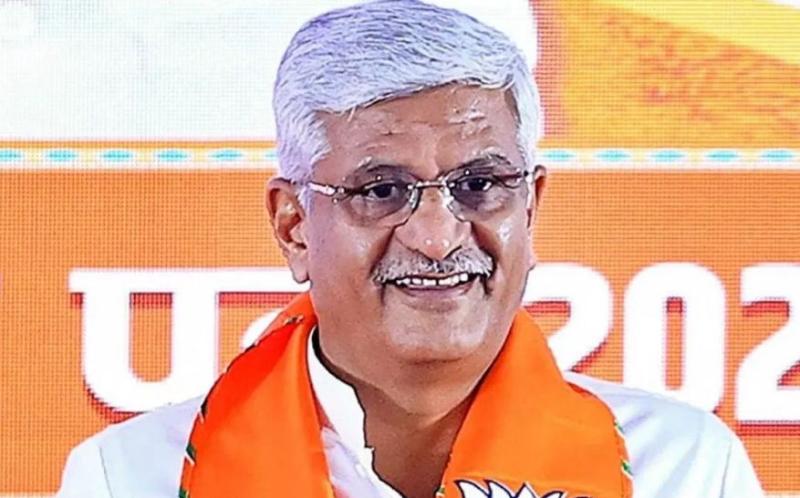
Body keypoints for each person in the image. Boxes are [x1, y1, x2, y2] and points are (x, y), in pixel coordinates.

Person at [57, 1, 765, 497]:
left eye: (479, 184)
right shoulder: (132, 480)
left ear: (531, 206)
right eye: (382, 191)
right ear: (293, 226)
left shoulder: (684, 470)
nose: (436, 235)